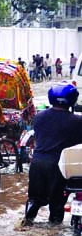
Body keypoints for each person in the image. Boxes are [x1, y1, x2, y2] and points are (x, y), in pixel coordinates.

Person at [21, 83, 82, 227]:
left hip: (37, 163)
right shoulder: (77, 121)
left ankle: (26, 223)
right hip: (58, 166)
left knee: (34, 199)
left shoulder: (39, 117)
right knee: (56, 204)